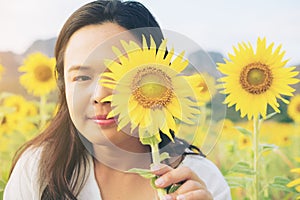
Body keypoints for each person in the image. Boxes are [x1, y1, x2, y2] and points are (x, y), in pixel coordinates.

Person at [4, 1, 231, 199]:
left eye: (120, 75)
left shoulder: (202, 183)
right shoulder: (37, 170)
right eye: (82, 77)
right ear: (64, 86)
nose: (100, 95)